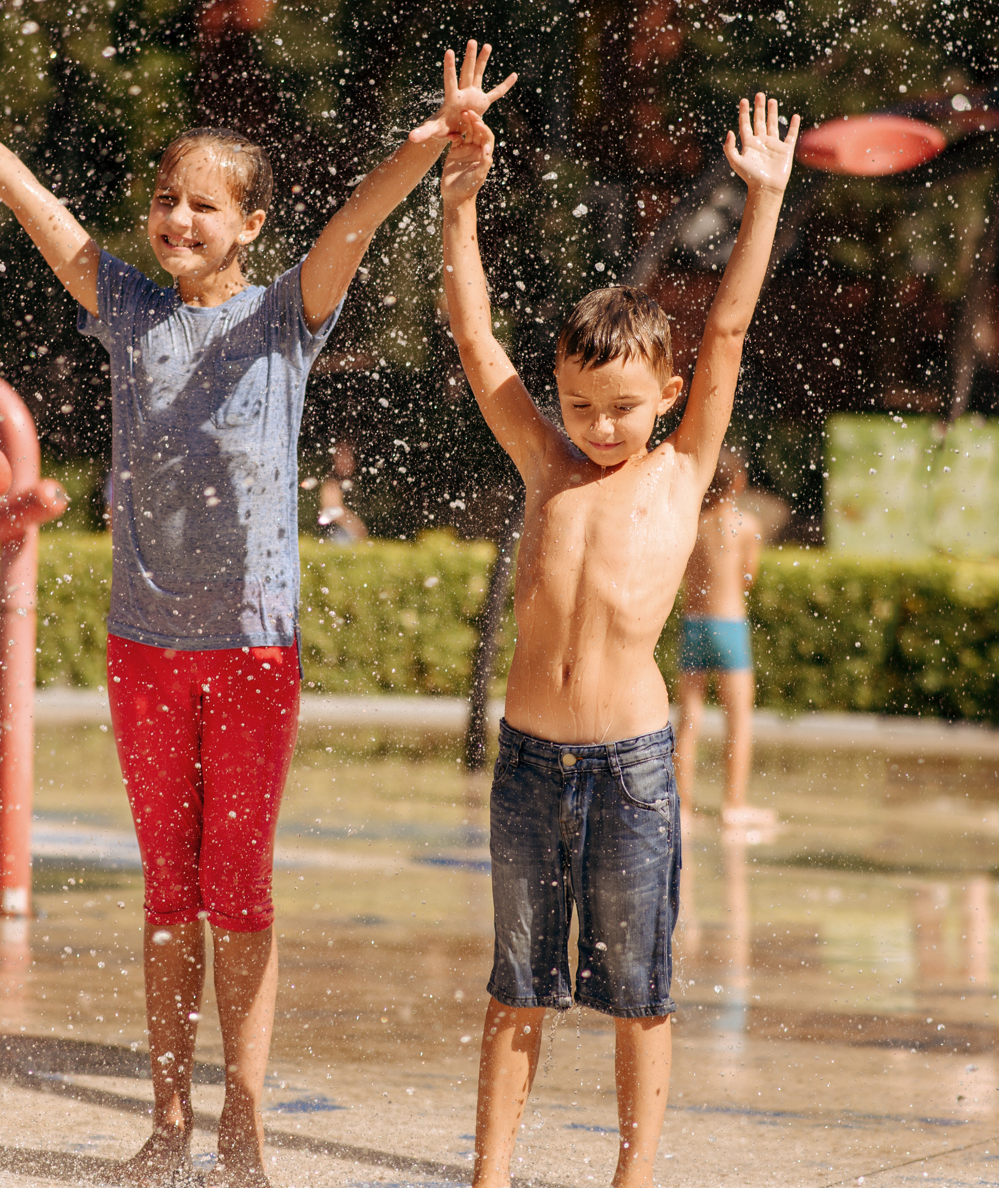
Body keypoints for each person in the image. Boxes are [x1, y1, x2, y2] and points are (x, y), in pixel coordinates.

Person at [0, 23, 515, 1188]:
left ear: (250, 224)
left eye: (205, 206)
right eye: (165, 200)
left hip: (251, 652)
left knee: (235, 894)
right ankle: (166, 1123)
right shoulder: (127, 308)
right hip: (143, 648)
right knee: (167, 894)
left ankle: (242, 1121)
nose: (177, 220)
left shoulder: (283, 320)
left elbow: (354, 223)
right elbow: (24, 194)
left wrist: (424, 146)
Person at [441, 95, 798, 1188]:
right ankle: (490, 1174)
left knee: (639, 992)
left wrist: (764, 198)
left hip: (633, 771)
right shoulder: (544, 465)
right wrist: (459, 200)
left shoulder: (681, 472)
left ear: (667, 398)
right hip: (528, 764)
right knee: (515, 986)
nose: (600, 427)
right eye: (580, 404)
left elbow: (726, 328)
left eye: (623, 407)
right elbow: (474, 335)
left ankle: (633, 1175)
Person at [675, 448, 776, 831]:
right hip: (730, 626)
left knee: (689, 720)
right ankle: (733, 805)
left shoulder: (691, 522)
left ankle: (683, 809)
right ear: (739, 483)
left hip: (694, 625)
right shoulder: (747, 526)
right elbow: (748, 577)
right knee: (738, 720)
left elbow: (683, 572)